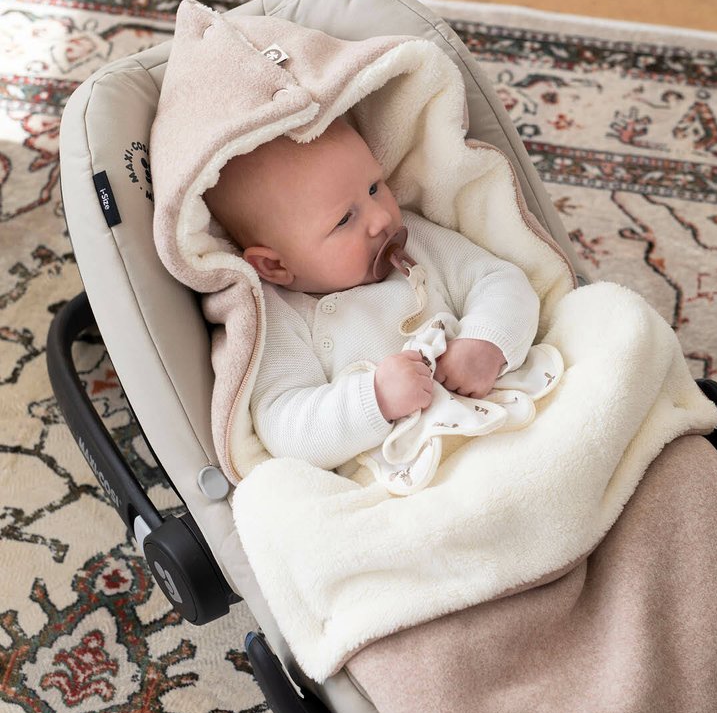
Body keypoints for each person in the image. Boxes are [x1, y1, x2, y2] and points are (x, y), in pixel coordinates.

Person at [203, 117, 541, 470]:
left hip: (504, 415)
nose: (380, 218)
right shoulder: (275, 318)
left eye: (374, 188)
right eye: (343, 220)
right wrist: (374, 398)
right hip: (410, 478)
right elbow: (284, 426)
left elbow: (499, 279)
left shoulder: (416, 242)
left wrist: (486, 342)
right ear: (274, 265)